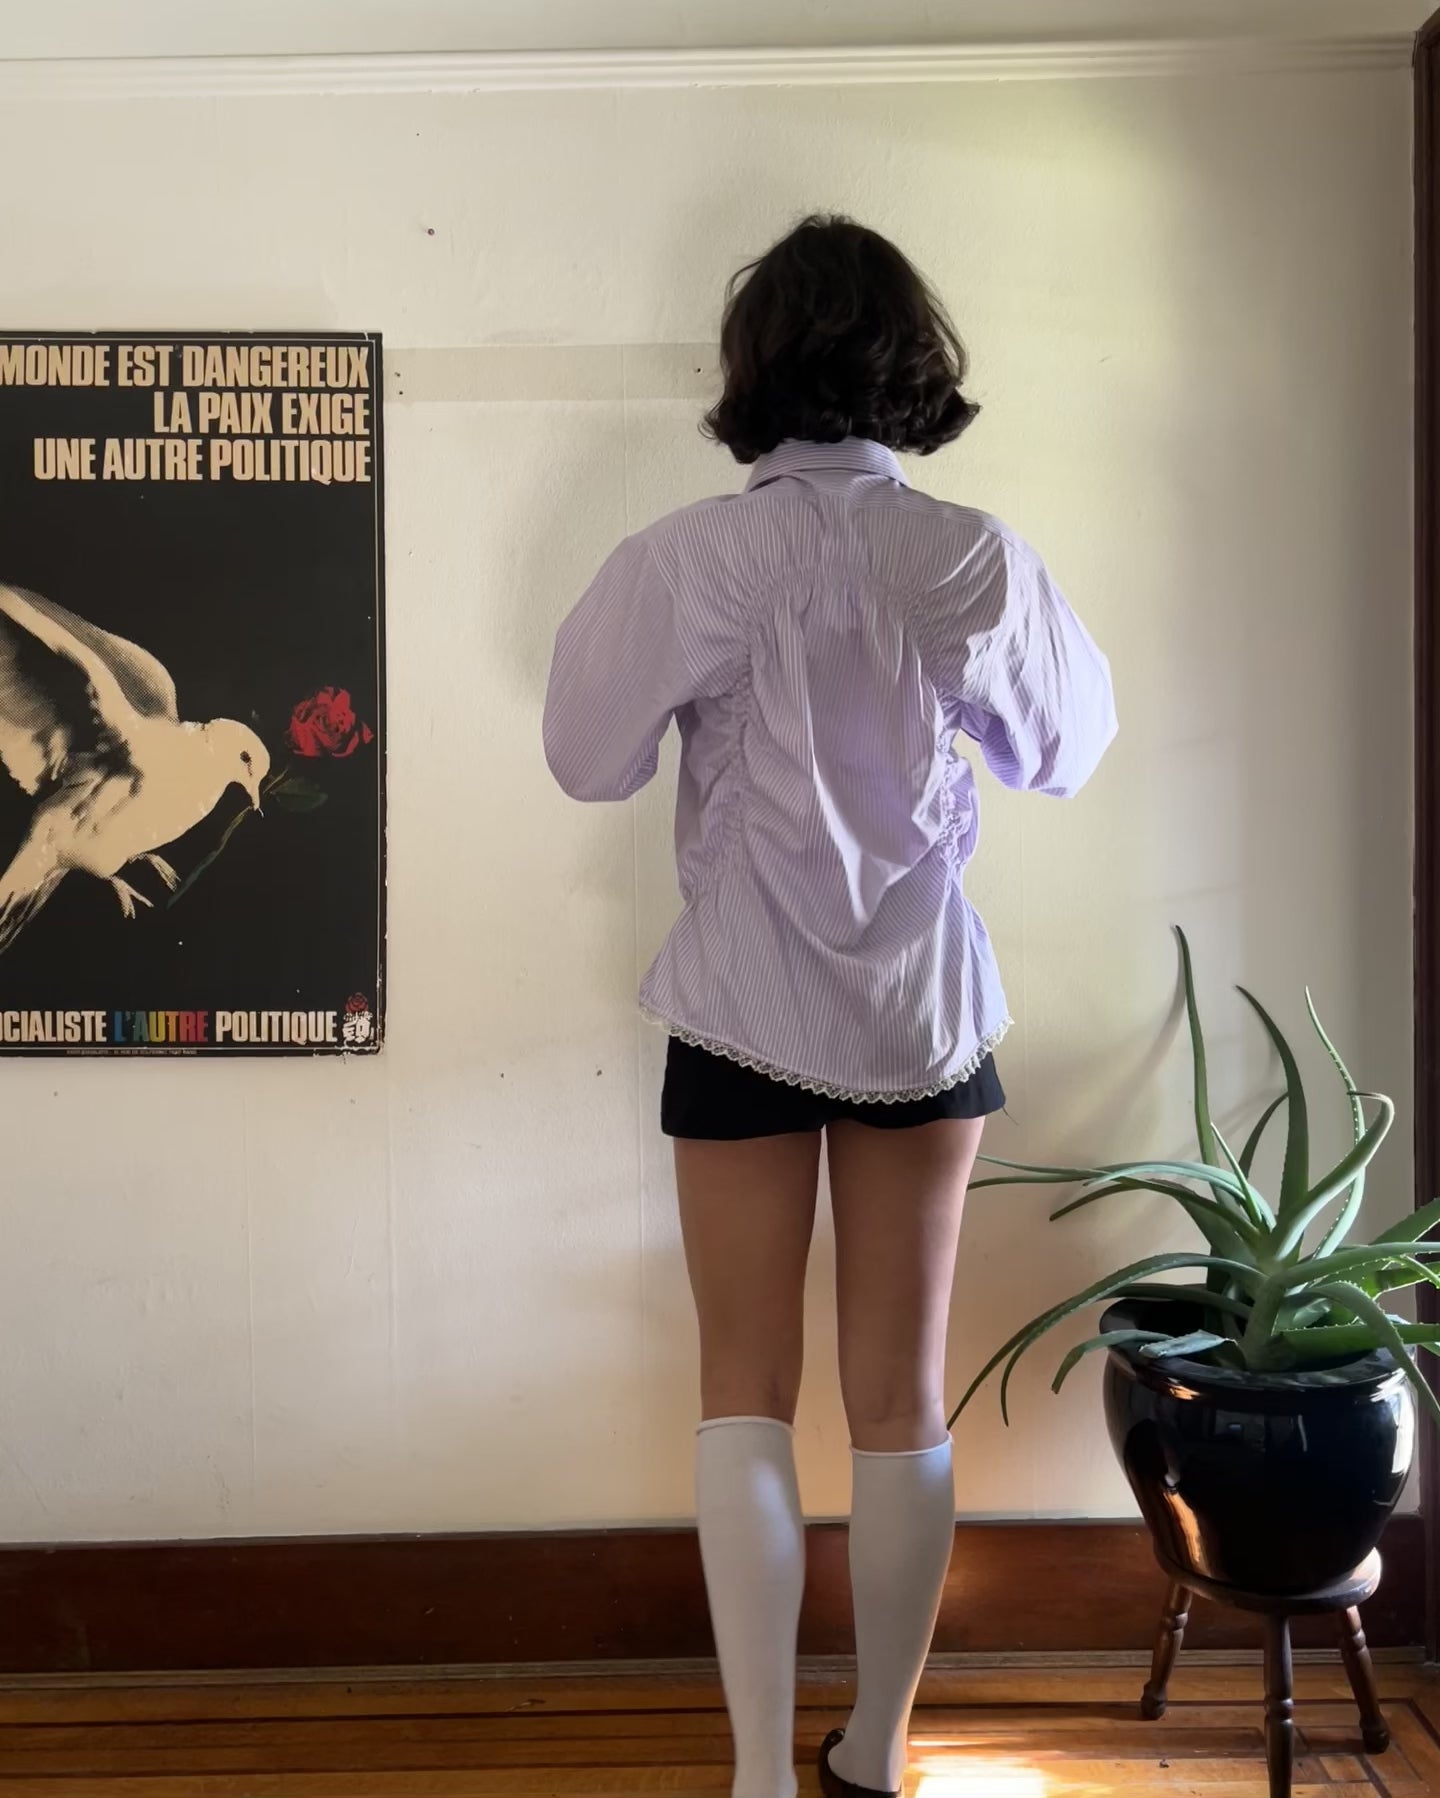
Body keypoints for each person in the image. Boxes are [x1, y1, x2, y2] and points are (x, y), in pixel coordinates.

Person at [542, 214, 1116, 1798]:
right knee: (901, 1400)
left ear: (753, 371)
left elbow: (584, 755)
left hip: (739, 999)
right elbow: (1066, 748)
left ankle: (752, 1771)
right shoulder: (971, 557)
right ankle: (878, 1747)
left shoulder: (685, 559)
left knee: (742, 1390)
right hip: (922, 1014)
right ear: (912, 362)